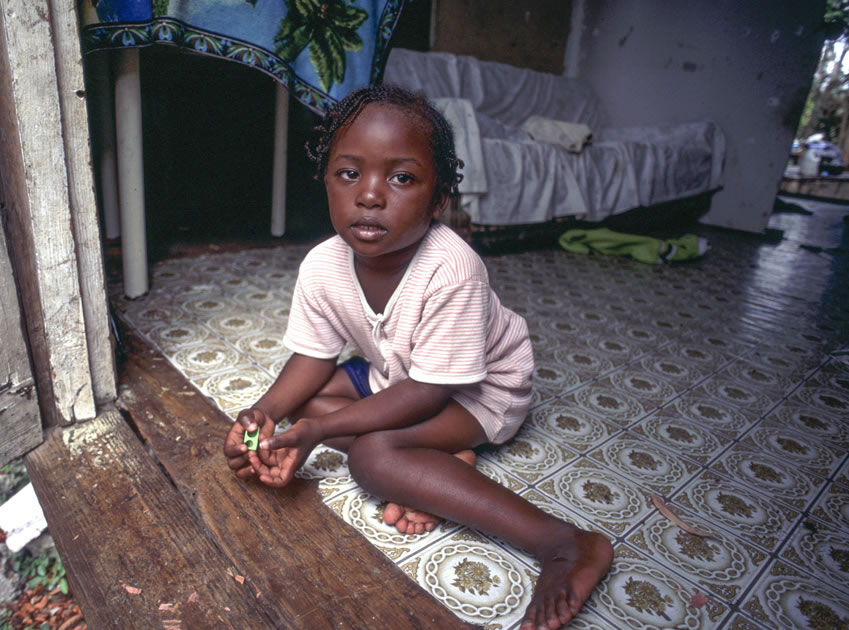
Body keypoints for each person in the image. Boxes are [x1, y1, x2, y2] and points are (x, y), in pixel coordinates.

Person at [223, 85, 613, 630]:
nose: (370, 196)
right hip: (400, 375)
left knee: (372, 459)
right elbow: (311, 357)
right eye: (349, 173)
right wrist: (259, 416)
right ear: (327, 182)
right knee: (308, 397)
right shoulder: (322, 265)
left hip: (480, 395)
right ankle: (432, 468)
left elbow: (429, 393)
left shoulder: (452, 269)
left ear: (438, 200)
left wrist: (314, 434)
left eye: (401, 178)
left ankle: (566, 545)